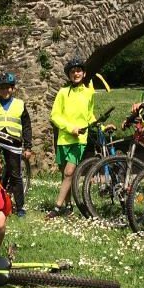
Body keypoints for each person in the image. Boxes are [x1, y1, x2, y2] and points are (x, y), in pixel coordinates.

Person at [47, 57, 97, 219]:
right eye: (72, 71)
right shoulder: (62, 92)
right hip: (64, 139)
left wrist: (101, 126)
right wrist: (70, 128)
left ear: (84, 73)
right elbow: (54, 116)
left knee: (69, 173)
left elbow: (89, 116)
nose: (76, 73)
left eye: (78, 71)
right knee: (64, 175)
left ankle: (57, 206)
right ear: (69, 75)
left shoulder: (89, 93)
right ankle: (69, 206)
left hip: (79, 140)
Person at [0, 72, 32, 217]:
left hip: (14, 143)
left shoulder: (19, 104)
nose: (5, 91)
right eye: (2, 88)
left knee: (15, 175)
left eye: (8, 88)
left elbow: (26, 126)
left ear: (13, 88)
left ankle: (20, 207)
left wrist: (28, 146)